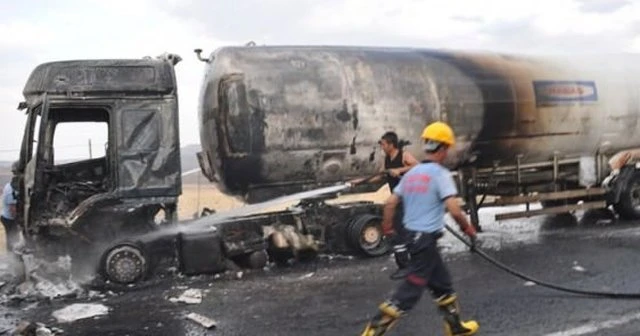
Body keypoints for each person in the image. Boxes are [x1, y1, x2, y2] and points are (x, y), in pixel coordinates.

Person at [359, 121, 479, 336]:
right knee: (410, 291)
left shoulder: (413, 174)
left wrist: (387, 228)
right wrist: (468, 229)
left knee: (442, 283)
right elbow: (454, 209)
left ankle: (455, 327)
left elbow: (390, 203)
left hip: (414, 239)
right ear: (443, 148)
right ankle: (373, 330)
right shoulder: (439, 174)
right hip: (425, 241)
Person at [349, 131, 419, 278]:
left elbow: (417, 167)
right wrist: (361, 182)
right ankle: (408, 264)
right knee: (399, 230)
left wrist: (399, 170)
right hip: (396, 198)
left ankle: (409, 265)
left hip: (408, 197)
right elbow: (380, 176)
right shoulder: (386, 159)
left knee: (403, 231)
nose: (381, 146)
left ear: (391, 144)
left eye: (383, 144)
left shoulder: (404, 155)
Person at [1, 178, 18, 253]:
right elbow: (12, 208)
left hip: (5, 215)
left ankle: (11, 252)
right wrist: (17, 221)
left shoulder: (8, 185)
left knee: (10, 236)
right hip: (9, 218)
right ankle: (12, 254)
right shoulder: (11, 191)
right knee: (13, 237)